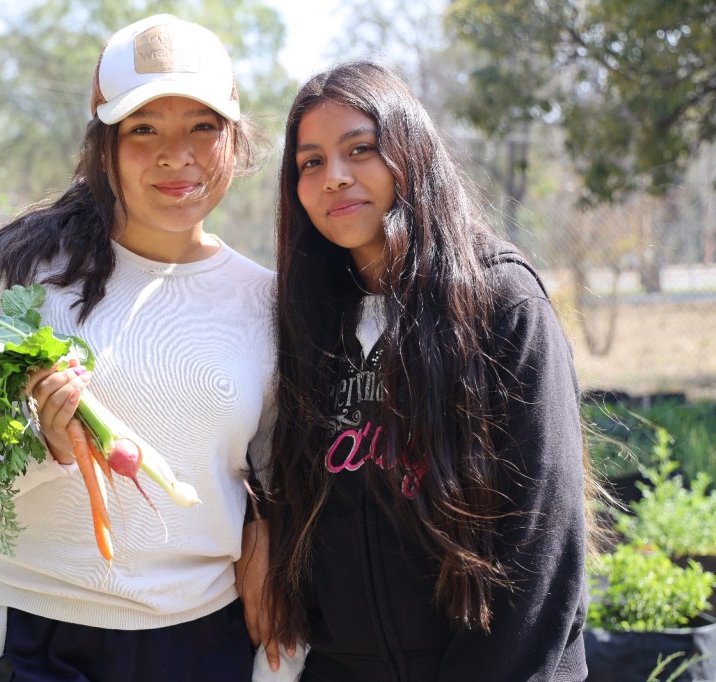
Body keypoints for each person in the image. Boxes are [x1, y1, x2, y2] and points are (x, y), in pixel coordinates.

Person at [0, 14, 276, 681]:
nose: (176, 154)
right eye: (143, 129)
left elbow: (281, 478)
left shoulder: (266, 301)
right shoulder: (13, 273)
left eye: (203, 126)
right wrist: (44, 448)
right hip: (33, 632)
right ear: (104, 147)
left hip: (203, 638)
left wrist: (269, 536)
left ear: (235, 140)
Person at [255, 59, 601, 681]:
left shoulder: (500, 302)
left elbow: (540, 543)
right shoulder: (310, 321)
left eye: (360, 149)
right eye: (310, 162)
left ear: (410, 152)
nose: (334, 177)